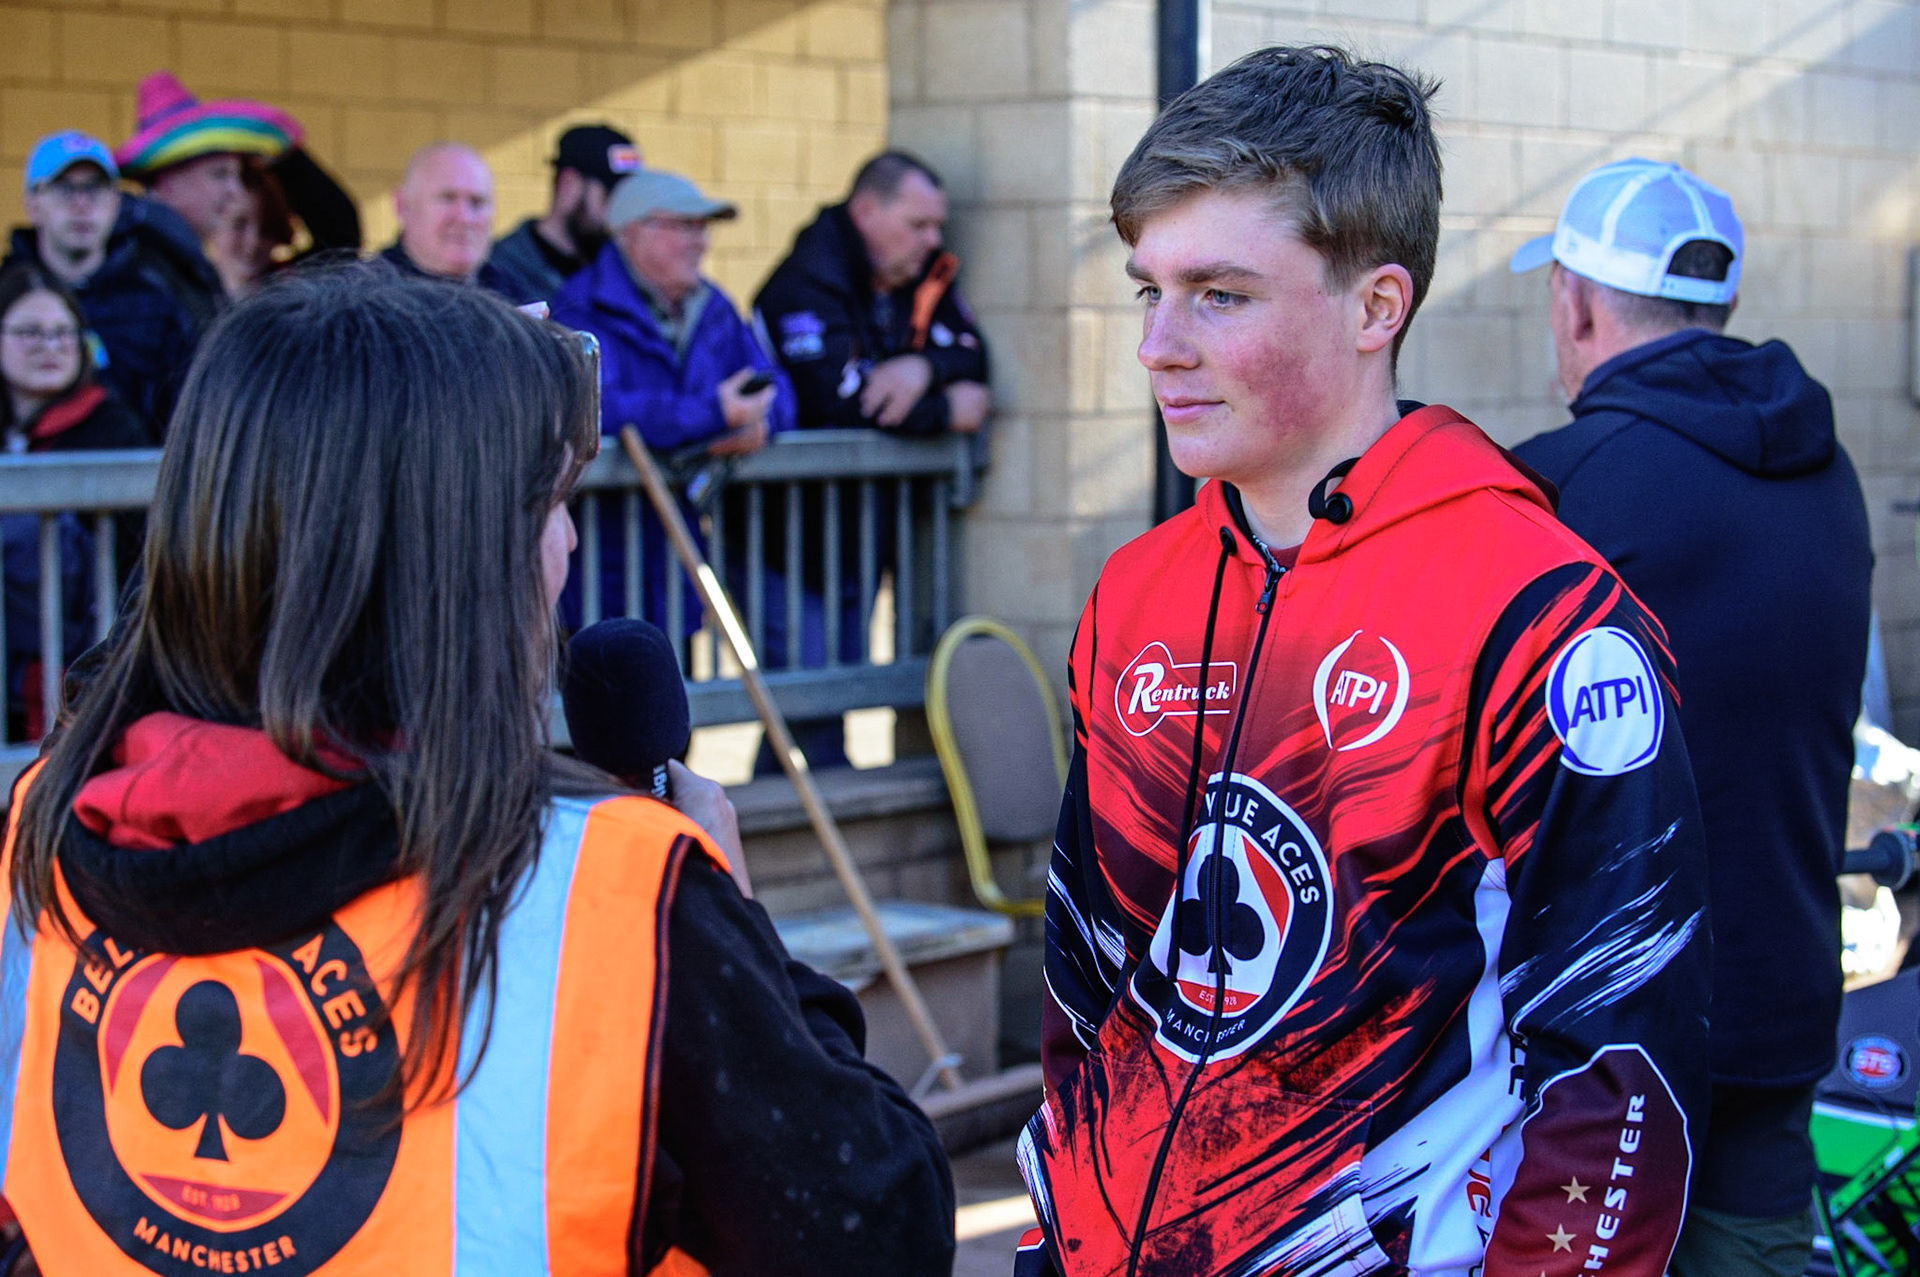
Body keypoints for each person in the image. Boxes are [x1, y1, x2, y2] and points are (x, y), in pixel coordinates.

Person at [0, 266, 953, 1275]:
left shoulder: (44, 833)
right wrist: (751, 943)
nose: (571, 540)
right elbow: (880, 1233)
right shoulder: (609, 891)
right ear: (458, 560)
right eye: (550, 501)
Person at [1020, 46, 1711, 1277]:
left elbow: (1618, 1078)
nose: (1159, 347)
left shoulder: (1541, 616)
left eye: (1220, 294)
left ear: (1376, 306)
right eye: (1150, 292)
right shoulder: (1135, 596)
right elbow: (1087, 993)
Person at [1510, 159, 1872, 1277]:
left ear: (1573, 302)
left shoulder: (1557, 489)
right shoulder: (1830, 471)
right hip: (1780, 1002)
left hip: (1597, 1048)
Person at [549, 168, 792, 639]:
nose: (700, 243)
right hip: (599, 567)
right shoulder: (581, 309)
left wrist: (757, 424)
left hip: (677, 566)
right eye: (685, 227)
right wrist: (713, 417)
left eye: (703, 229)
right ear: (632, 233)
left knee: (673, 701)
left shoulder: (713, 306)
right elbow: (600, 407)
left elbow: (776, 388)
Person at [0, 262, 150, 741]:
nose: (50, 346)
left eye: (64, 332)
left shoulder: (115, 428)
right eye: (30, 332)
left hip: (82, 665)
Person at [756, 150, 990, 436]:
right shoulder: (807, 282)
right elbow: (837, 405)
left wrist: (925, 367)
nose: (934, 240)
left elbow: (973, 354)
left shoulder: (920, 272)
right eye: (918, 225)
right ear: (866, 212)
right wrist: (945, 411)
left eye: (937, 226)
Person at [3, 131, 198, 434]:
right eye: (65, 189)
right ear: (33, 204)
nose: (82, 204)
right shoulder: (6, 296)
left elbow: (185, 408)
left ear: (115, 203)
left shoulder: (155, 296)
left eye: (95, 188)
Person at [490, 124, 641, 305]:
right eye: (611, 196)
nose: (621, 213)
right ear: (569, 184)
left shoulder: (624, 270)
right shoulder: (496, 273)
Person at [381, 141, 519, 299]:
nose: (464, 218)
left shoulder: (513, 297)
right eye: (448, 198)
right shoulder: (363, 301)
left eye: (477, 202)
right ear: (403, 205)